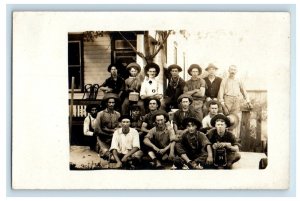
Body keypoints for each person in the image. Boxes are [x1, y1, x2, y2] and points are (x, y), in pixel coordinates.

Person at [218, 65, 252, 139]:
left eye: (234, 70)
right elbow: (221, 91)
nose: (232, 71)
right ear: (228, 70)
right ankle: (224, 137)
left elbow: (244, 91)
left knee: (235, 119)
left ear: (236, 71)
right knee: (226, 118)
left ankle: (234, 138)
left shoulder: (239, 80)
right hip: (227, 99)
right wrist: (223, 104)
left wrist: (248, 101)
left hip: (236, 100)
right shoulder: (225, 80)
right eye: (231, 70)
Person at [94, 93, 121, 158]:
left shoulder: (118, 114)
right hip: (102, 139)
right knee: (105, 152)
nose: (111, 104)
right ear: (106, 103)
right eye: (109, 102)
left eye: (113, 102)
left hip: (114, 138)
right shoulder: (100, 114)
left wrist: (108, 130)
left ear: (115, 103)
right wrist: (112, 132)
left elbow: (119, 128)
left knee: (119, 152)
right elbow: (97, 130)